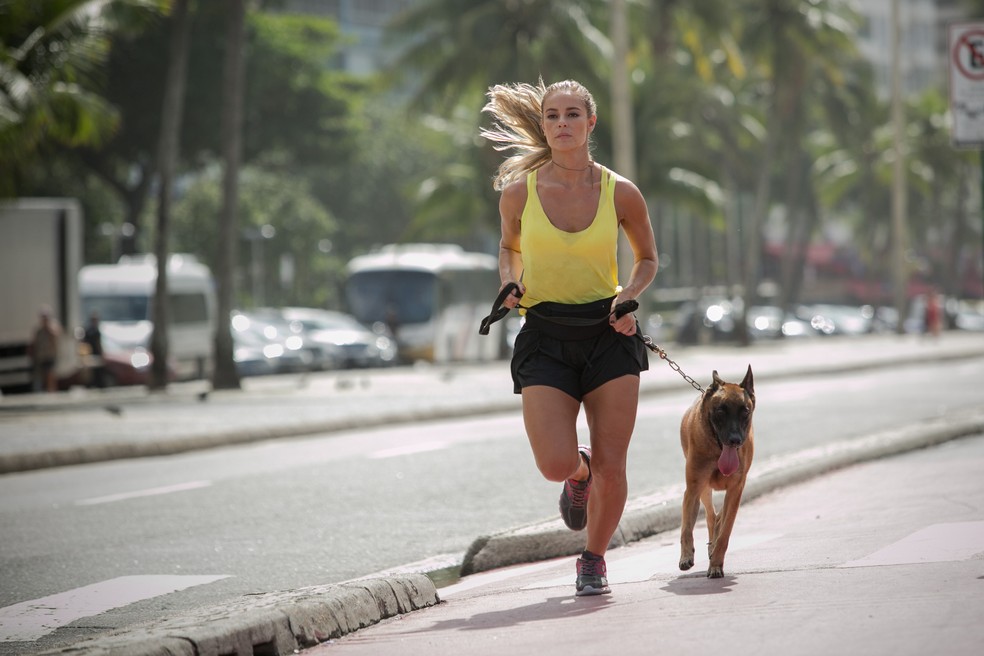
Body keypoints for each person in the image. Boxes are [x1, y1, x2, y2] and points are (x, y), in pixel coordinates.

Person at [481, 79, 659, 596]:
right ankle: (575, 477)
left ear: (590, 123)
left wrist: (629, 295)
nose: (562, 123)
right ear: (544, 125)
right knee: (555, 463)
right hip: (545, 335)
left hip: (608, 334)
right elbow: (508, 249)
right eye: (553, 116)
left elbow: (647, 259)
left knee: (613, 462)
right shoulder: (520, 192)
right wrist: (510, 280)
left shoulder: (620, 191)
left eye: (572, 114)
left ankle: (594, 559)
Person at [28, 307, 61, 392]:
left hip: (50, 355)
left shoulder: (52, 328)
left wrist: (48, 328)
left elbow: (56, 337)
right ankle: (46, 391)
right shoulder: (39, 330)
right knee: (42, 375)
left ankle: (52, 391)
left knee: (50, 374)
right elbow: (34, 342)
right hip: (41, 356)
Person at [83, 311, 107, 388]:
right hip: (92, 353)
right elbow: (96, 344)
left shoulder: (90, 330)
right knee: (93, 371)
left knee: (97, 371)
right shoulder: (91, 331)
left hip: (93, 353)